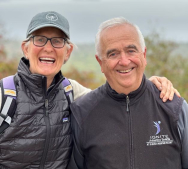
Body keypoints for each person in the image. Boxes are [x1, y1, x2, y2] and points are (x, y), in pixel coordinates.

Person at [0, 11, 179, 169]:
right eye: (40, 40)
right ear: (26, 48)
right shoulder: (4, 96)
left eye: (57, 41)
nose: (48, 48)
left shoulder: (71, 92)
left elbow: (114, 97)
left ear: (68, 52)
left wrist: (150, 85)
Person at [68, 17, 188, 169]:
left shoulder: (174, 108)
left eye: (131, 51)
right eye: (113, 54)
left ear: (143, 56)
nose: (124, 61)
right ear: (100, 63)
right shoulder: (82, 113)